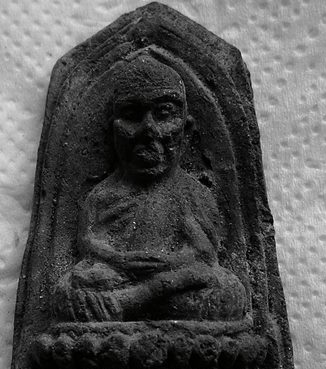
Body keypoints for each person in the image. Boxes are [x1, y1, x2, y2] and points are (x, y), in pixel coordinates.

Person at [53, 53, 247, 322]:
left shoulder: (195, 195)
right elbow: (89, 246)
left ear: (186, 130)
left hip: (178, 279)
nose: (148, 129)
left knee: (229, 290)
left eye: (164, 114)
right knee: (69, 290)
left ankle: (132, 303)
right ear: (113, 131)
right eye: (132, 115)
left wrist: (166, 265)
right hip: (117, 276)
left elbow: (204, 254)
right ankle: (135, 303)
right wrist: (121, 262)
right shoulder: (103, 196)